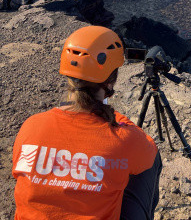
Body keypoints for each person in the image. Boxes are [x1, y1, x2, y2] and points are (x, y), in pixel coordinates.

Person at [12, 25, 162, 220]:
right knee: (151, 160)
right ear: (111, 81)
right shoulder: (124, 138)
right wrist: (112, 116)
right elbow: (149, 152)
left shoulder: (31, 126)